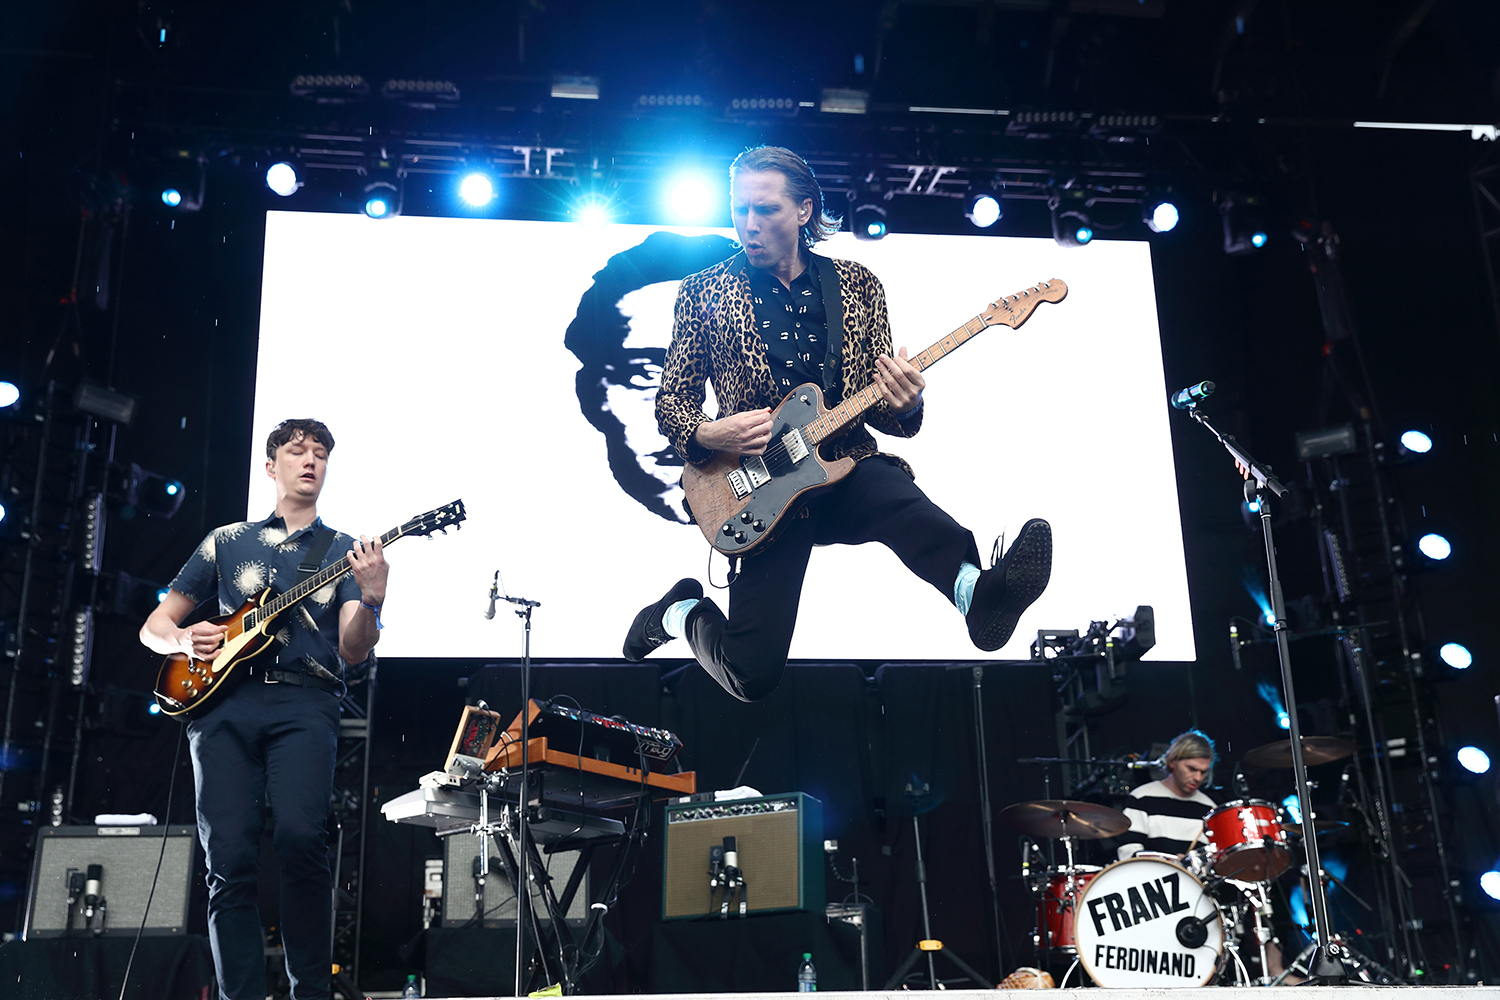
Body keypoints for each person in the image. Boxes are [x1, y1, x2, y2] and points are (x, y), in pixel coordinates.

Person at [621, 145, 1052, 702]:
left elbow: (882, 409)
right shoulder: (703, 292)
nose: (748, 224)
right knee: (752, 674)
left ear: (803, 211)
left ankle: (977, 592)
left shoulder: (858, 285)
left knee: (896, 496)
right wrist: (707, 433)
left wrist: (904, 403)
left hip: (844, 465)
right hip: (757, 492)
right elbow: (671, 401)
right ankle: (680, 612)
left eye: (766, 210)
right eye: (740, 208)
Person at [140, 418, 388, 1000]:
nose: (310, 461)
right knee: (227, 857)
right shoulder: (226, 542)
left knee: (303, 838)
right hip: (222, 706)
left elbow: (353, 648)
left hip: (306, 703)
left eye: (321, 453)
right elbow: (156, 626)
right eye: (297, 451)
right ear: (270, 466)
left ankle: (310, 993)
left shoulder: (344, 553)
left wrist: (372, 599)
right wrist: (183, 640)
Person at [1116, 729, 1217, 860]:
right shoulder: (1142, 798)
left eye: (1203, 772)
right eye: (1191, 769)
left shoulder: (1210, 810)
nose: (1198, 778)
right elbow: (1128, 853)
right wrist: (1168, 863)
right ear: (1172, 762)